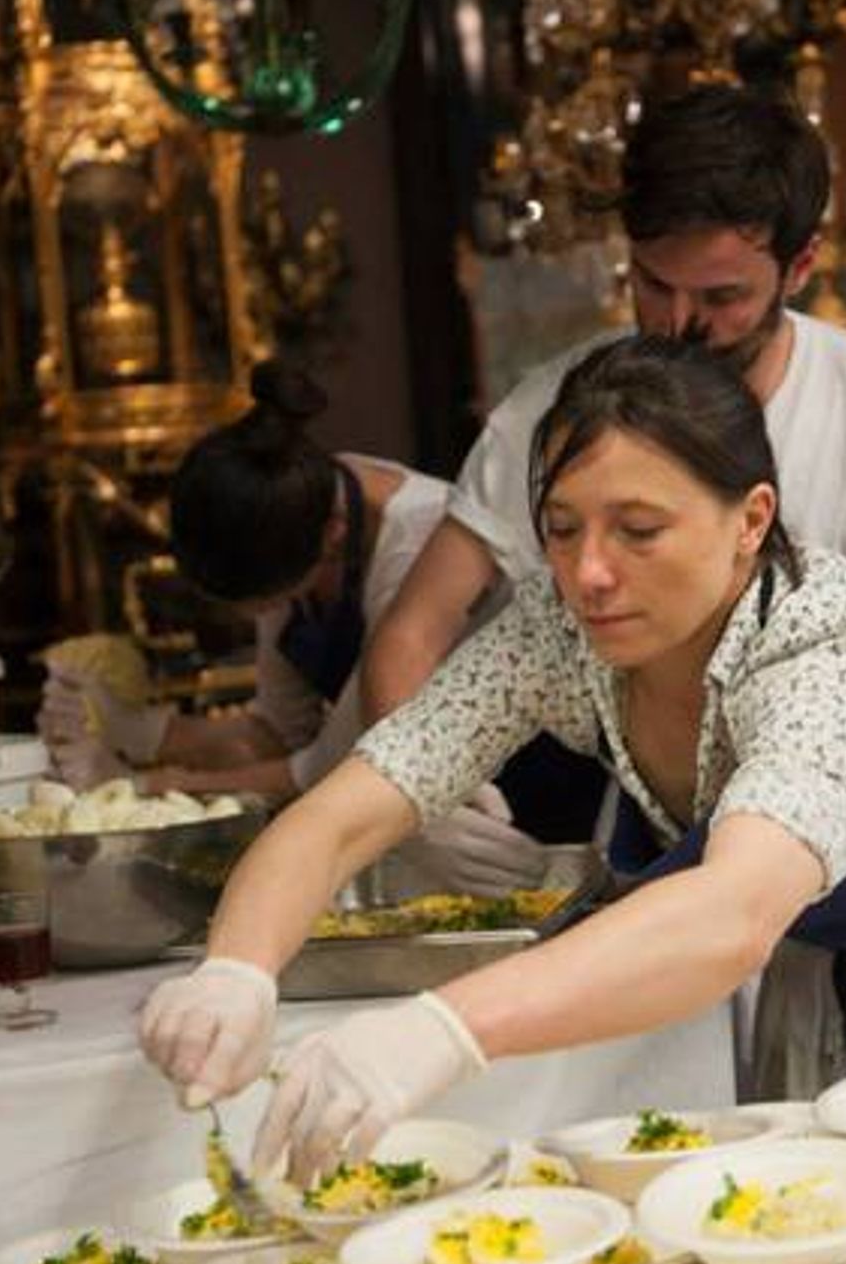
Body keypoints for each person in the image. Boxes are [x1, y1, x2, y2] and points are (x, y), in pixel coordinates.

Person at [140, 336, 846, 1188]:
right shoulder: (557, 626)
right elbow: (349, 807)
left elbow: (734, 910)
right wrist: (238, 967)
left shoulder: (817, 634)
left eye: (639, 529)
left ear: (750, 519)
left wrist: (435, 1030)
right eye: (562, 528)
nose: (590, 572)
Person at [362, 86, 846, 753]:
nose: (679, 322)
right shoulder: (554, 409)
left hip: (842, 800)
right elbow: (412, 632)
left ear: (799, 267)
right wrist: (427, 811)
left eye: (723, 296)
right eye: (655, 284)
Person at [39, 364, 545, 890]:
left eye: (271, 602)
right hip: (403, 796)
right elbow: (276, 732)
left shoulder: (420, 544)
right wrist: (139, 729)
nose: (267, 617)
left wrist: (145, 784)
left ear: (334, 534)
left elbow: (326, 766)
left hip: (510, 801)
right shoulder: (280, 501)